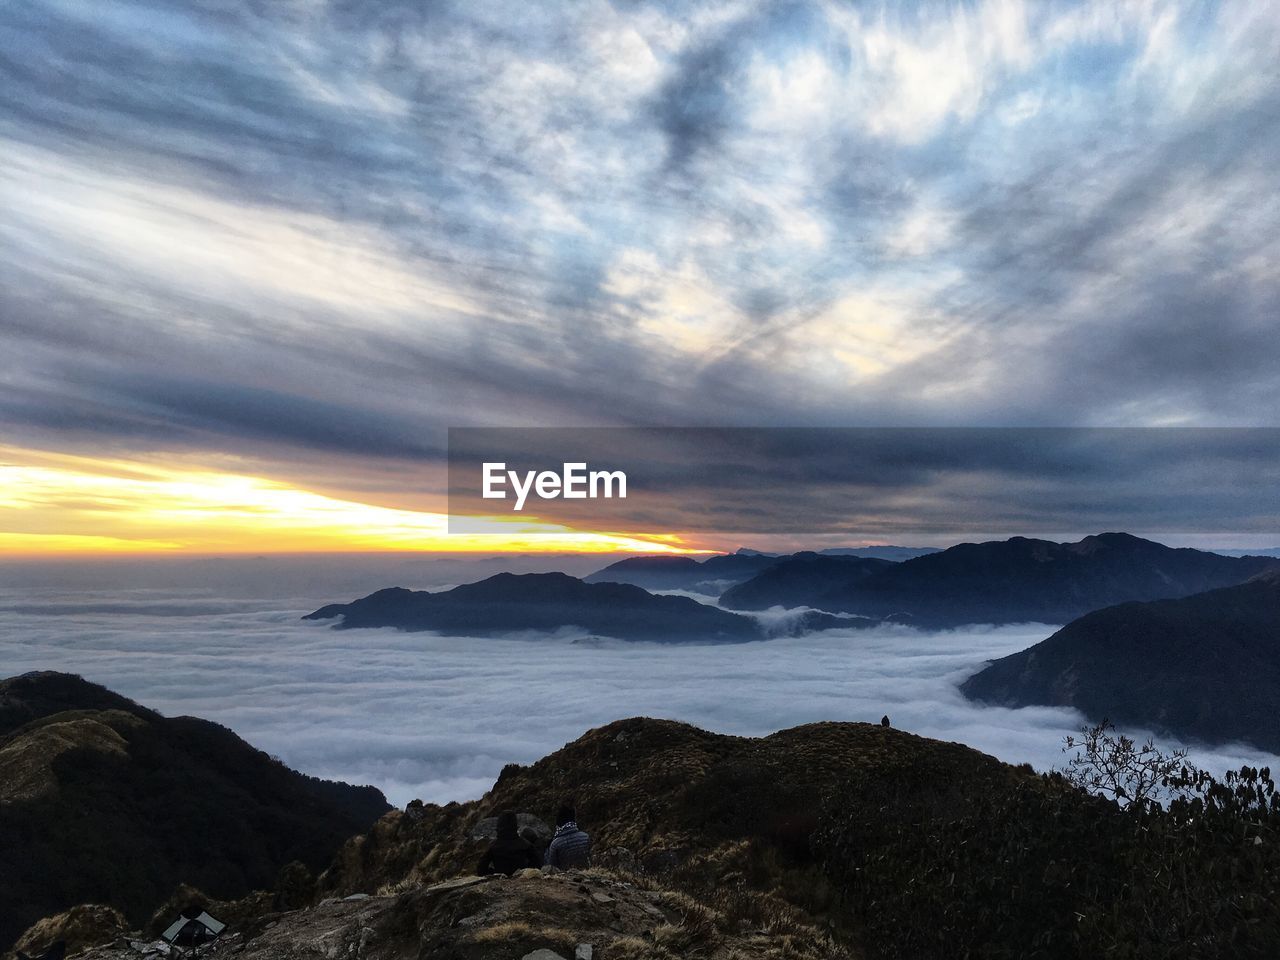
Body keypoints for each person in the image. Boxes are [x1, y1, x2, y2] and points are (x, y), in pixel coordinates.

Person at [477, 810, 542, 876]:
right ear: (515, 825)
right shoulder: (525, 844)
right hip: (521, 876)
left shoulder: (493, 846)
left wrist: (493, 873)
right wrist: (526, 871)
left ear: (499, 826)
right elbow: (538, 863)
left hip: (500, 877)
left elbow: (480, 870)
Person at [545, 801, 592, 869]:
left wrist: (547, 851)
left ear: (559, 821)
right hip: (585, 874)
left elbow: (552, 868)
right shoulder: (585, 837)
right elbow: (590, 860)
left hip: (565, 876)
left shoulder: (555, 844)